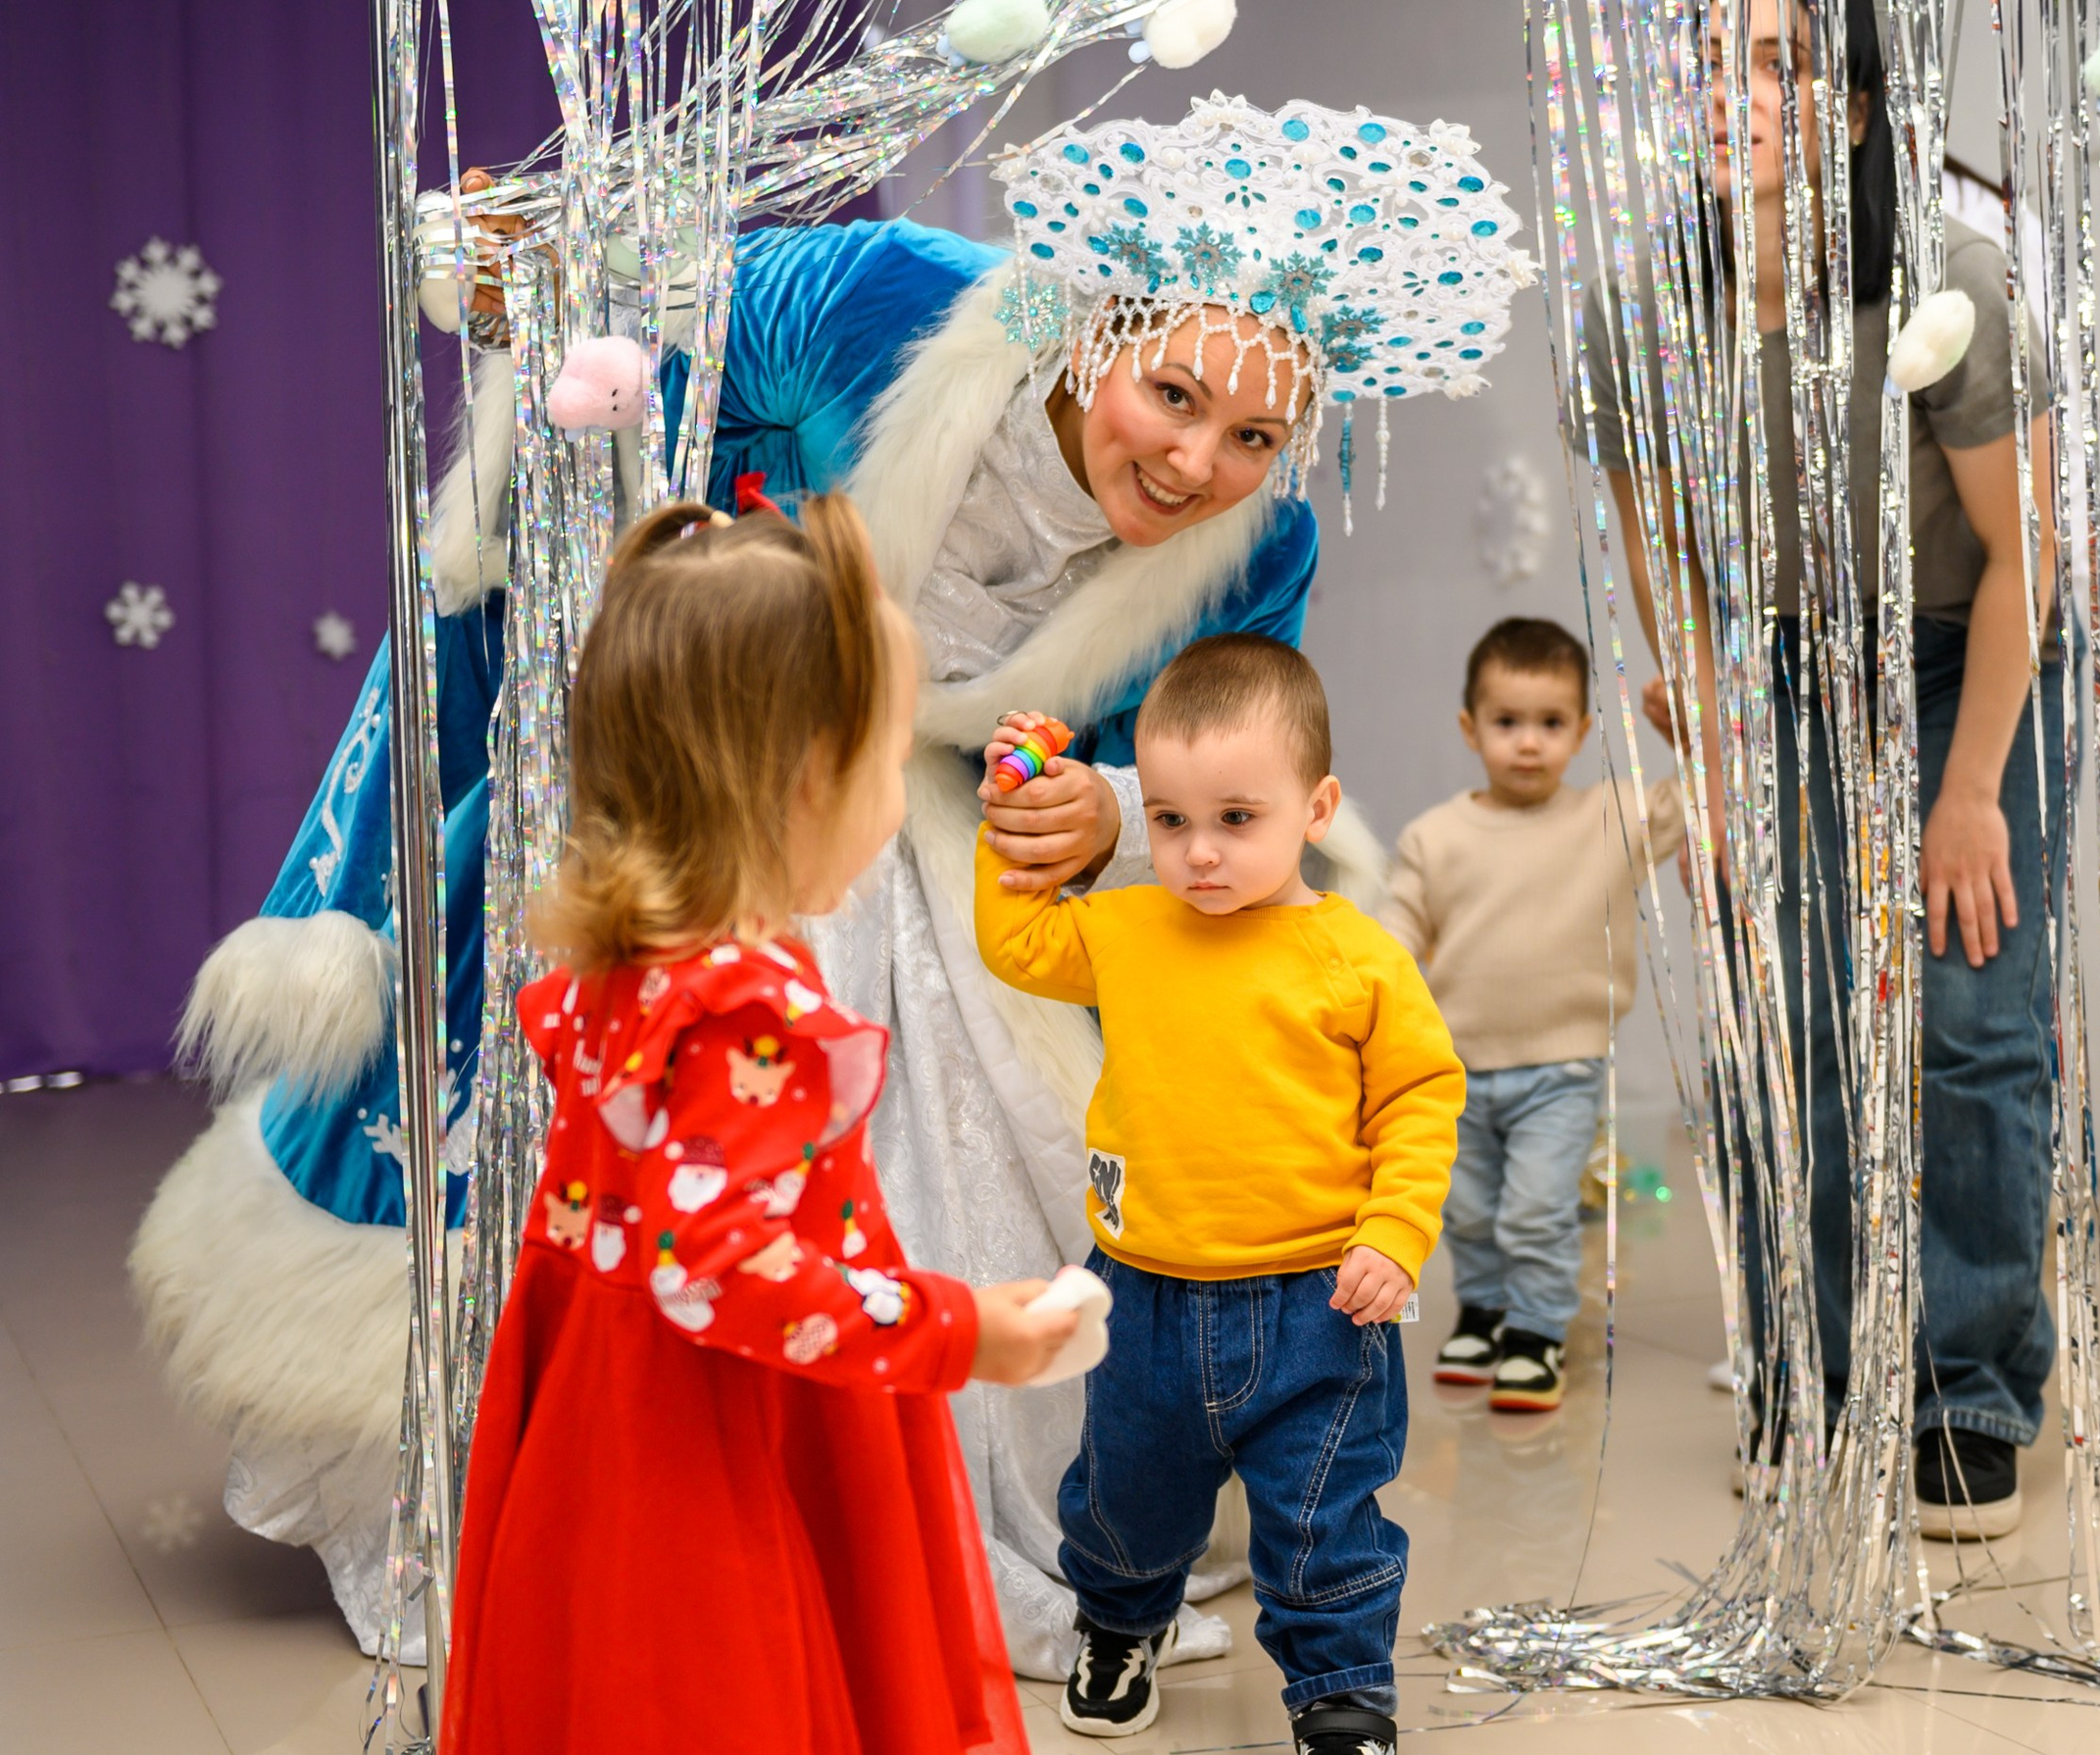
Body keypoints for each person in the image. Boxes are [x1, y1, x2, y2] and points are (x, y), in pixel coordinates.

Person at [133, 95, 1531, 1667]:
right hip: (702, 777)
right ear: (1092, 331)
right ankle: (565, 1500)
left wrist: (1115, 805)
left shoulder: (1250, 552)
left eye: (1256, 437)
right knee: (631, 1167)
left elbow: (1228, 749)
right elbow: (625, 353)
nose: (1201, 460)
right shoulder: (883, 301)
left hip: (903, 831)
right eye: (1175, 395)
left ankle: (910, 1523)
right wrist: (543, 294)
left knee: (984, 1142)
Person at [445, 493, 1077, 1753]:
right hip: (722, 1442)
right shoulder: (747, 1009)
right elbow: (727, 1269)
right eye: (887, 765)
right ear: (798, 780)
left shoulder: (630, 965)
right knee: (728, 1691)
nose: (897, 803)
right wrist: (966, 1330)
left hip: (604, 1426)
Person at [1590, 0, 2066, 1538]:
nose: (1735, 96)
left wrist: (1971, 787)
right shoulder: (1649, 294)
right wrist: (1723, 729)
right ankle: (1812, 1364)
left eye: (1780, 65)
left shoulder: (1952, 281)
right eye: (1710, 64)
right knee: (1782, 1026)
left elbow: (2022, 559)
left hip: (1955, 653)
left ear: (1857, 109)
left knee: (1967, 1023)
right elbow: (1660, 531)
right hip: (1785, 665)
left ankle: (1963, 1386)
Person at [974, 636, 1466, 1755]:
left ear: (1317, 806)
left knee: (1321, 1515)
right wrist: (1009, 808)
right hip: (1144, 1292)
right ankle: (1117, 1622)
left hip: (1319, 1305)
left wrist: (1394, 1230)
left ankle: (1342, 1689)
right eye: (1169, 821)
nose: (1198, 854)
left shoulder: (1356, 954)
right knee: (1122, 1497)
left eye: (1236, 819)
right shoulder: (1133, 925)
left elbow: (1421, 1098)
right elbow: (1017, 943)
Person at [1379, 617, 1682, 1414]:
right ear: (1469, 727)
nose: (1528, 744)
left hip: (1563, 1066)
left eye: (1551, 724)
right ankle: (1482, 1312)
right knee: (1469, 1210)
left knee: (1537, 1209)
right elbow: (1391, 935)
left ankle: (1538, 1332)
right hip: (1455, 1069)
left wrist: (1689, 735)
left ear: (1582, 732)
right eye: (1507, 722)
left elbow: (1691, 808)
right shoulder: (1436, 836)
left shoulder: (1607, 818)